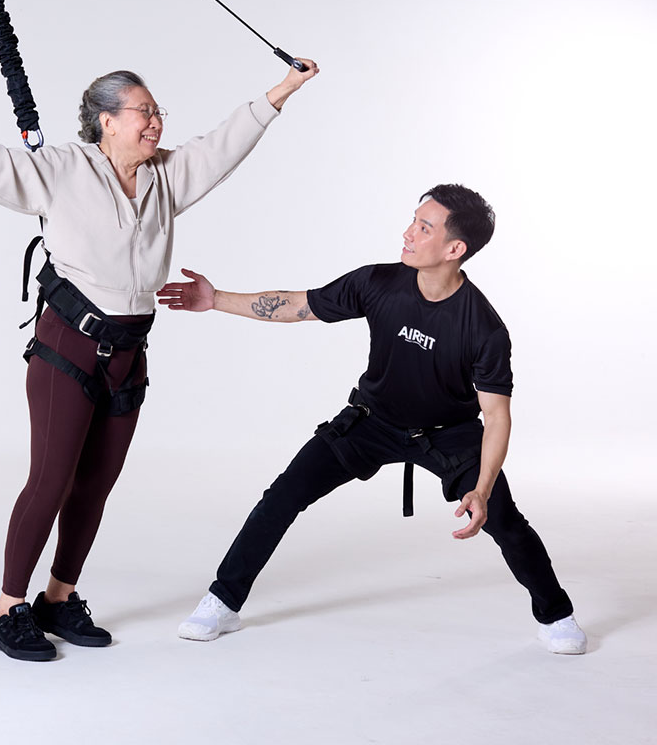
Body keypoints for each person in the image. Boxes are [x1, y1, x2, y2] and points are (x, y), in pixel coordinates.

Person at [0, 60, 318, 661]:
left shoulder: (168, 176)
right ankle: (9, 607)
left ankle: (58, 599)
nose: (156, 121)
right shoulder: (62, 169)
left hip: (129, 351)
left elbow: (224, 145)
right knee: (51, 479)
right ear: (106, 122)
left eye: (158, 111)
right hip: (68, 344)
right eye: (144, 111)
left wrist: (285, 88)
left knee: (95, 486)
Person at [157, 184, 588, 655]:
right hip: (371, 421)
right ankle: (223, 601)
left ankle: (557, 616)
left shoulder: (483, 327)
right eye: (413, 220)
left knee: (505, 521)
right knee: (283, 495)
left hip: (448, 436)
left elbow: (497, 416)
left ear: (454, 249)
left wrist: (481, 490)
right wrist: (215, 297)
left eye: (424, 227)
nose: (407, 233)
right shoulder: (377, 282)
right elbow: (298, 306)